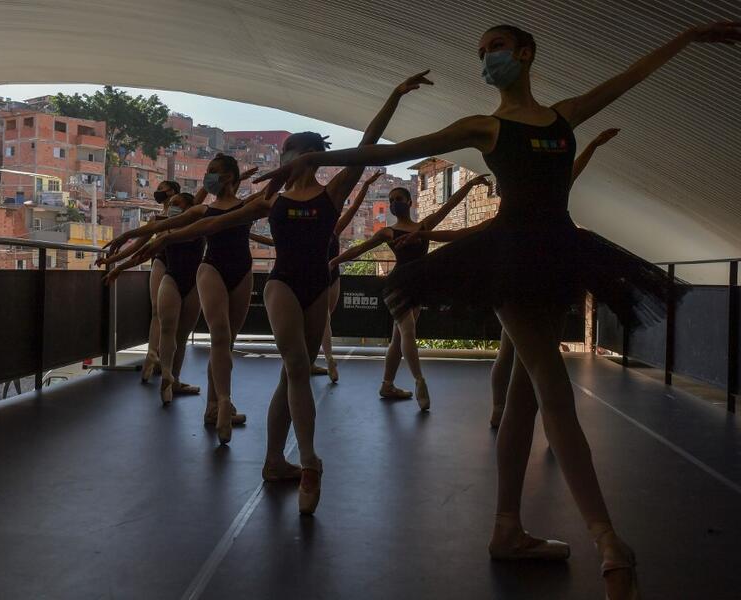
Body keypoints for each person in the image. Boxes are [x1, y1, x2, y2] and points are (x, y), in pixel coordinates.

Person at [256, 22, 739, 597]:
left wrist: (685, 37)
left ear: (528, 53)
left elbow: (630, 76)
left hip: (560, 253)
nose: (487, 59)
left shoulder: (565, 115)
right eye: (481, 52)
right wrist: (313, 159)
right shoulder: (484, 126)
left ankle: (507, 528)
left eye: (497, 49)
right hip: (509, 259)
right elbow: (399, 150)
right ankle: (607, 538)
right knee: (550, 385)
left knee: (527, 398)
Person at [137, 71, 434, 514]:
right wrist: (153, 234)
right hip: (281, 286)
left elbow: (369, 144)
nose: (283, 158)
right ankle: (310, 459)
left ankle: (274, 461)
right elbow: (204, 224)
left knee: (288, 378)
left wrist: (393, 96)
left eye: (288, 152)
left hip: (317, 288)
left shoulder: (333, 193)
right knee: (296, 366)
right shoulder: (270, 201)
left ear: (305, 157)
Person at [396, 129, 620, 428]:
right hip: (536, 279)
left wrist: (592, 144)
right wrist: (423, 234)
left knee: (516, 349)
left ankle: (508, 409)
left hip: (537, 278)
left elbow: (569, 173)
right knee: (525, 351)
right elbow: (461, 233)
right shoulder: (522, 212)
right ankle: (511, 410)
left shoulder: (523, 210)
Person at [103, 157, 264, 442]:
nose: (208, 177)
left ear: (229, 176)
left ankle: (213, 406)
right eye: (207, 172)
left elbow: (276, 191)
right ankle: (222, 402)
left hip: (242, 273)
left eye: (213, 172)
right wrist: (125, 238)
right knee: (219, 337)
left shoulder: (247, 206)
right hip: (211, 269)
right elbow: (160, 227)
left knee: (227, 342)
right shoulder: (204, 210)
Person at [331, 174, 490, 410]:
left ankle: (387, 384)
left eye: (399, 198)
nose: (395, 202)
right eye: (391, 199)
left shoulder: (423, 227)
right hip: (398, 284)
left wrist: (468, 184)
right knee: (407, 331)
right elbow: (360, 248)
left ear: (409, 203)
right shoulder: (387, 233)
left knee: (399, 337)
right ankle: (419, 380)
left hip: (418, 285)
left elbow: (449, 205)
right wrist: (334, 262)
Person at [105, 192, 204, 407]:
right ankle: (168, 375)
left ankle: (172, 379)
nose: (172, 207)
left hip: (193, 285)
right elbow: (144, 252)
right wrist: (119, 267)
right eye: (171, 204)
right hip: (172, 280)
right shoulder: (165, 228)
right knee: (168, 330)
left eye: (177, 204)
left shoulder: (198, 223)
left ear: (189, 207)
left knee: (182, 335)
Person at [100, 180, 181, 383]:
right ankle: (154, 356)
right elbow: (137, 246)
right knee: (159, 312)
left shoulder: (180, 216)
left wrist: (114, 262)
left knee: (163, 314)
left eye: (161, 189)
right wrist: (112, 261)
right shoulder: (159, 219)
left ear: (172, 191)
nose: (157, 192)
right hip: (163, 261)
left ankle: (158, 358)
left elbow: (138, 245)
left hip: (171, 262)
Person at [312, 169, 385, 383]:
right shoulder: (312, 230)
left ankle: (315, 359)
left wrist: (365, 185)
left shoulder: (334, 229)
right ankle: (328, 358)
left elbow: (353, 208)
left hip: (333, 275)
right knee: (323, 319)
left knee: (324, 320)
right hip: (318, 275)